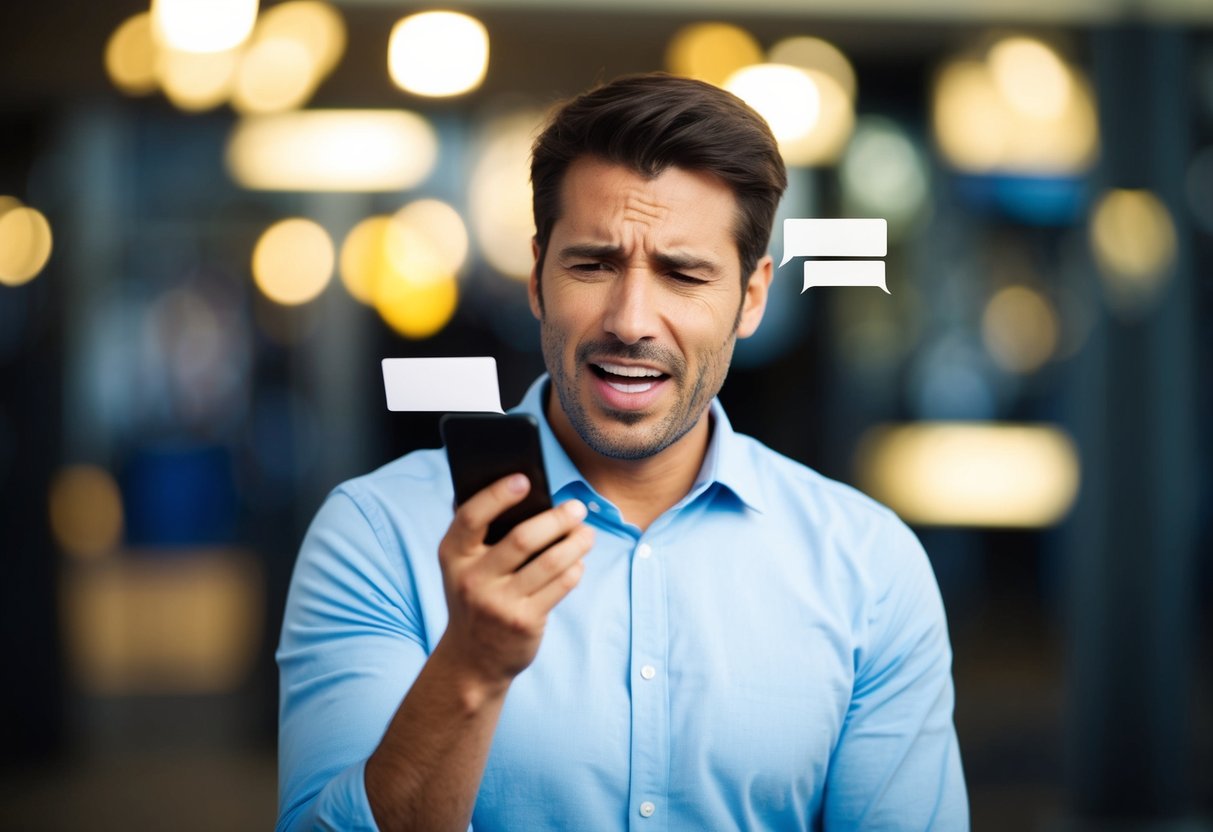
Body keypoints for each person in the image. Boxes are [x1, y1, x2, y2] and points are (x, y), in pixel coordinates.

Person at [276, 73, 968, 831]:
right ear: (537, 278)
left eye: (683, 273)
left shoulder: (867, 566)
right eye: (593, 265)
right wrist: (469, 668)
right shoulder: (376, 535)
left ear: (752, 297)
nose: (631, 320)